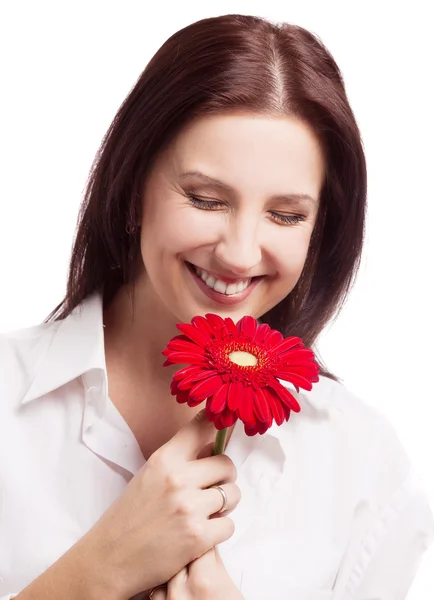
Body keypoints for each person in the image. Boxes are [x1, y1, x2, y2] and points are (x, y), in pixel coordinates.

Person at [0, 13, 433, 600]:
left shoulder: (363, 468)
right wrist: (94, 574)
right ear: (132, 192)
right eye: (206, 199)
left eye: (286, 215)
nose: (238, 252)